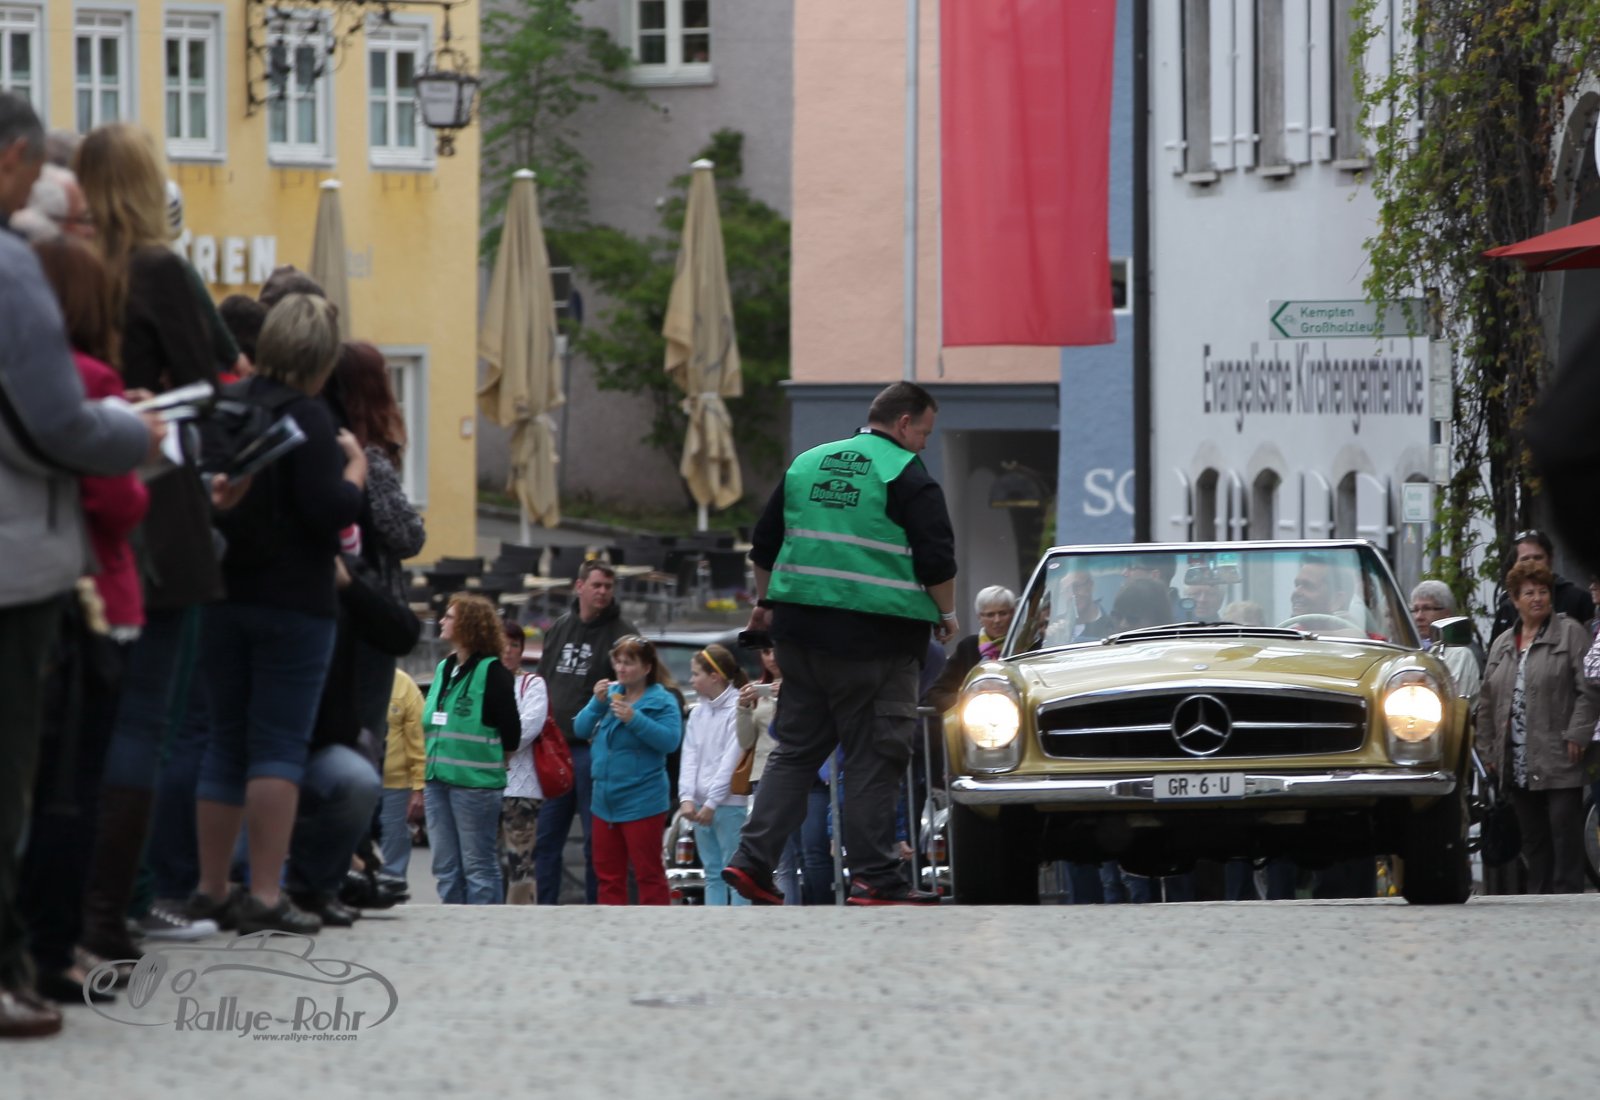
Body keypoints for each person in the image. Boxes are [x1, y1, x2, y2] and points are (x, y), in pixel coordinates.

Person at [0, 89, 155, 1039]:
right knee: (21, 769)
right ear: (12, 158)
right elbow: (56, 425)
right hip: (21, 560)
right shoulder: (13, 269)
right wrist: (135, 434)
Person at [73, 121, 227, 962]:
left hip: (77, 503)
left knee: (87, 719)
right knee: (149, 719)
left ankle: (77, 901)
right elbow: (210, 381)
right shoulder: (155, 268)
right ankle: (119, 904)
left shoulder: (62, 265)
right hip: (157, 505)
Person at [724, 381, 958, 907]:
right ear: (903, 424)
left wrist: (766, 603)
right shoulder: (905, 473)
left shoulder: (807, 464)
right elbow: (938, 561)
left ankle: (752, 862)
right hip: (878, 643)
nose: (925, 442)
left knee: (795, 752)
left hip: (800, 640)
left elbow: (764, 546)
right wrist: (946, 614)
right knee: (875, 757)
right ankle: (876, 878)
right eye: (924, 431)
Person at [188, 294, 367, 935]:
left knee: (223, 741)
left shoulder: (228, 404)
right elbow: (330, 510)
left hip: (222, 594)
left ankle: (211, 888)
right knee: (277, 747)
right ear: (320, 358)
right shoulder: (310, 417)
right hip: (294, 602)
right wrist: (356, 469)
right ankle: (265, 894)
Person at [1477, 560, 1598, 894]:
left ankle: (1567, 897)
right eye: (1529, 593)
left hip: (1561, 753)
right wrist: (1488, 750)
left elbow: (1589, 690)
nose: (1537, 598)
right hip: (1516, 758)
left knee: (1564, 832)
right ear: (1515, 599)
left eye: (1543, 592)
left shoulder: (1570, 633)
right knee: (1533, 839)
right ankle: (1539, 898)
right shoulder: (1503, 644)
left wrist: (1578, 733)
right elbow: (1487, 700)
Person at [532, 560, 637, 904]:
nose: (603, 592)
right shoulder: (560, 627)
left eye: (608, 586)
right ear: (579, 587)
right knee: (546, 838)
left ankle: (597, 908)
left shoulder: (623, 633)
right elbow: (543, 681)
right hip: (554, 747)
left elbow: (635, 689)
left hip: (594, 749)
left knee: (597, 841)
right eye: (597, 585)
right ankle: (545, 909)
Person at [421, 595, 521, 905]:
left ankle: (483, 925)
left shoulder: (493, 672)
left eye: (449, 617)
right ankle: (452, 924)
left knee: (478, 866)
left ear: (468, 625)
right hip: (436, 780)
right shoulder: (444, 668)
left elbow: (512, 734)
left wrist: (496, 759)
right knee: (445, 867)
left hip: (475, 786)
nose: (442, 621)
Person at [573, 635, 684, 905]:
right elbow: (580, 729)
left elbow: (670, 741)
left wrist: (635, 719)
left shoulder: (663, 700)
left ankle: (655, 925)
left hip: (643, 800)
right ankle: (612, 927)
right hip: (604, 801)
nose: (621, 668)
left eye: (629, 663)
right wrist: (595, 703)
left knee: (648, 874)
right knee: (608, 876)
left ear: (646, 668)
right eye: (618, 662)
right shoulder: (610, 694)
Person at [678, 644, 750, 905]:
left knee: (735, 873)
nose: (691, 680)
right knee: (711, 873)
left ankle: (740, 925)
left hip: (727, 804)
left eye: (696, 674)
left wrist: (711, 803)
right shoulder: (698, 712)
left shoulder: (738, 709)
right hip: (699, 805)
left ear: (715, 677)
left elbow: (731, 760)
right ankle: (714, 922)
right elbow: (689, 756)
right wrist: (686, 797)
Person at [500, 620, 548, 904]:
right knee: (484, 860)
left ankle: (519, 915)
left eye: (514, 645)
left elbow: (527, 728)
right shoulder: (481, 682)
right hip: (481, 784)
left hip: (520, 789)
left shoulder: (532, 684)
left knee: (519, 860)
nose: (508, 650)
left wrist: (490, 746)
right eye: (502, 644)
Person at [1488, 530, 1594, 643]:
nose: (1532, 563)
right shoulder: (1507, 607)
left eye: (1538, 558)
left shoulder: (1578, 599)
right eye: (1525, 559)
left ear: (1550, 560)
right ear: (1515, 564)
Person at [928, 586, 1016, 713]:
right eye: (990, 615)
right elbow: (936, 693)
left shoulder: (1025, 645)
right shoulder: (968, 647)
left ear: (1013, 614)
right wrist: (970, 702)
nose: (997, 620)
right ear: (979, 618)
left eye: (1002, 613)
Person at [378, 668, 426, 878]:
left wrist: (419, 788)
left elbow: (419, 741)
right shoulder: (346, 677)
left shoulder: (404, 685)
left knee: (391, 861)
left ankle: (392, 890)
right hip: (350, 787)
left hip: (394, 788)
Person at [1408, 580, 1480, 697]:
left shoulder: (1459, 654)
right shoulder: (1408, 649)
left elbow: (1450, 700)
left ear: (1447, 614)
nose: (1419, 616)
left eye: (1427, 608)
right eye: (1415, 610)